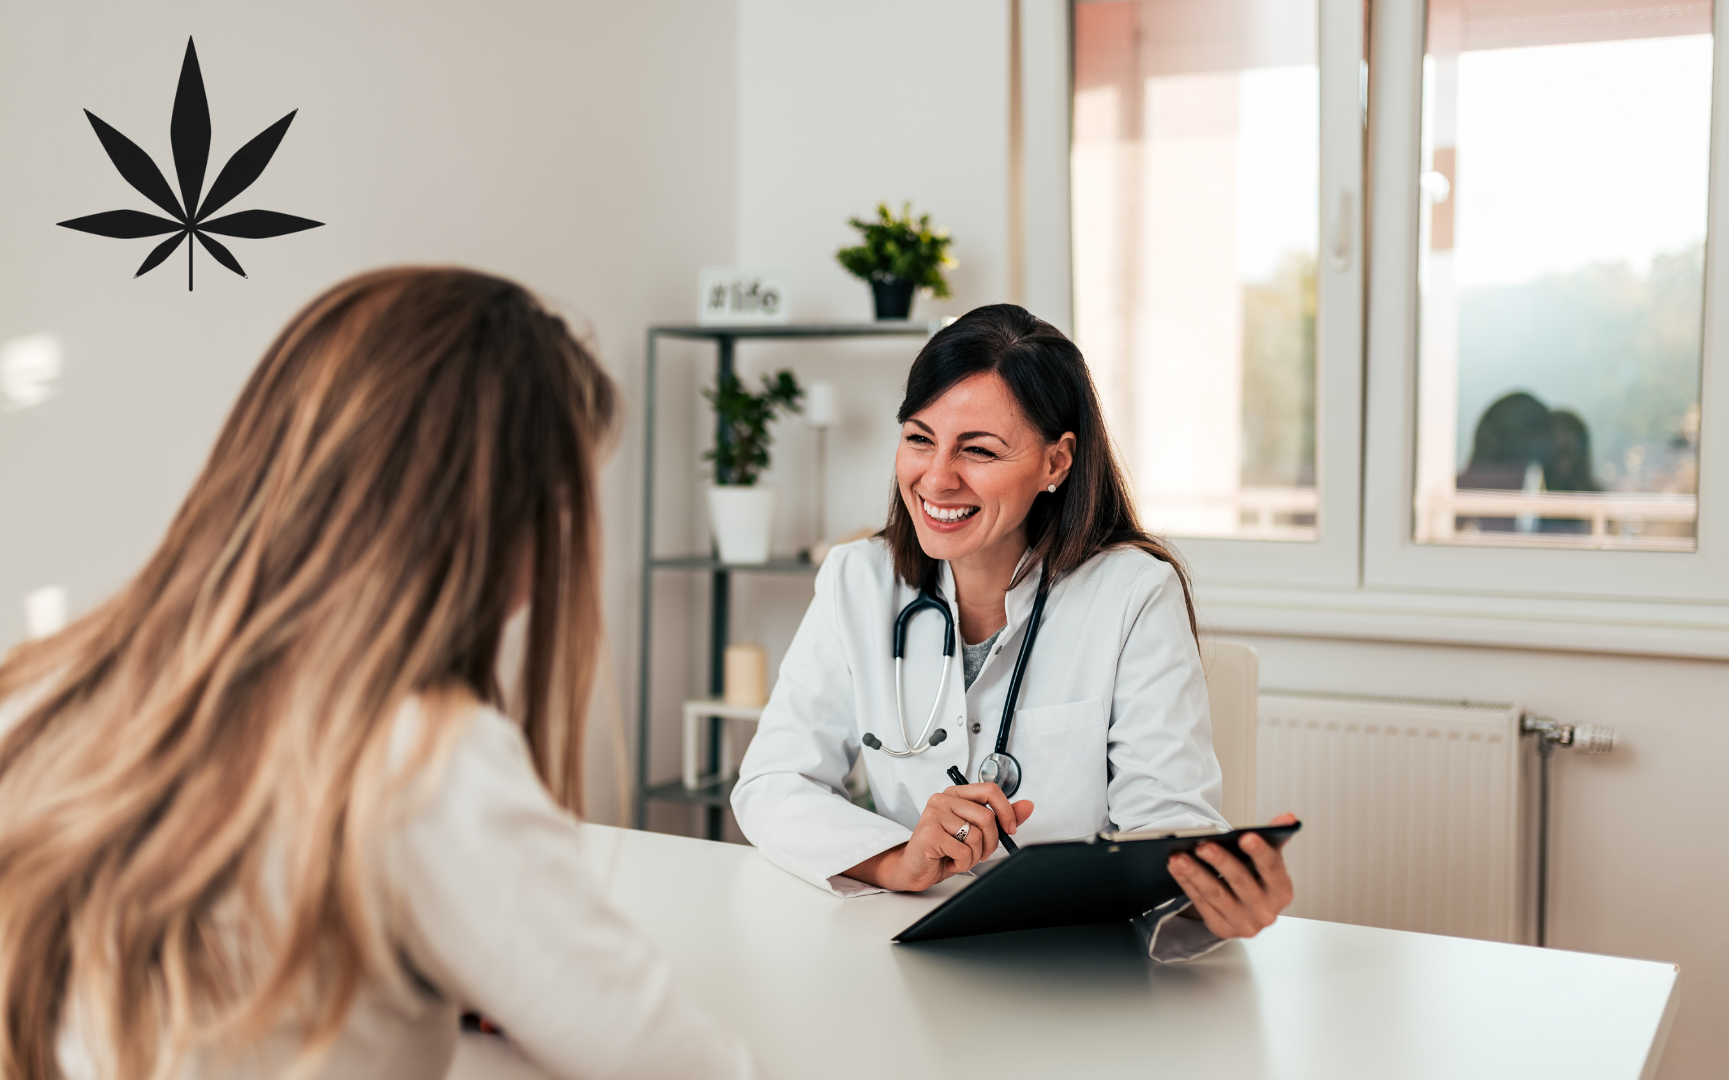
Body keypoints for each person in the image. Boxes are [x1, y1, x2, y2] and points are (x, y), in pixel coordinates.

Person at [0, 269, 754, 1080]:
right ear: (500, 520)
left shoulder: (44, 687)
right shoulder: (428, 762)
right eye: (561, 507)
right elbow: (684, 1067)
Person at [731, 304, 1296, 961]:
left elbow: (1166, 822)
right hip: (908, 949)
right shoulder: (856, 579)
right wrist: (898, 860)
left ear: (1056, 462)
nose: (937, 478)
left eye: (978, 450)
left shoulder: (1133, 593)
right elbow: (773, 782)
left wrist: (1212, 899)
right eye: (920, 438)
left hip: (1071, 959)